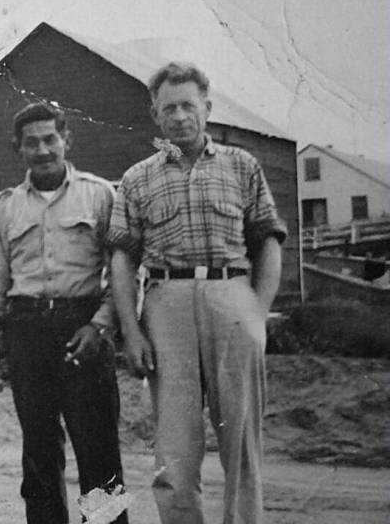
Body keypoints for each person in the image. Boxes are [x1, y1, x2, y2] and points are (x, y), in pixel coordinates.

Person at [107, 62, 286, 524]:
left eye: (189, 105)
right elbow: (123, 260)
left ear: (207, 107)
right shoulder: (137, 178)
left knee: (241, 442)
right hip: (167, 304)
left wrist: (258, 315)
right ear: (155, 115)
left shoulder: (242, 165)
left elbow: (268, 240)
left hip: (232, 296)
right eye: (170, 108)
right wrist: (131, 330)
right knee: (175, 448)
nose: (180, 116)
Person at [0, 102, 127, 524]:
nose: (42, 150)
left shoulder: (100, 195)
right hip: (27, 333)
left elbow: (122, 273)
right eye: (31, 143)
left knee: (99, 454)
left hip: (84, 329)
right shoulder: (7, 207)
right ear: (18, 148)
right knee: (39, 454)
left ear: (66, 140)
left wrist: (100, 325)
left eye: (50, 139)